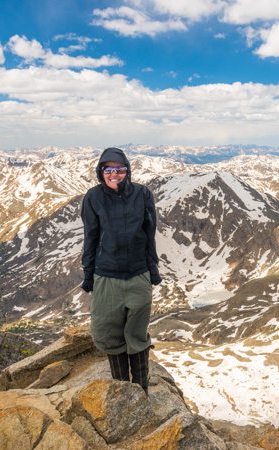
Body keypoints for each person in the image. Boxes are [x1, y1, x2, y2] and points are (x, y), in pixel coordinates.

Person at [80, 147, 162, 396]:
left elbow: (150, 234)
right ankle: (123, 392)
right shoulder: (93, 197)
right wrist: (88, 273)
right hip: (107, 276)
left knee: (136, 334)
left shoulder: (142, 194)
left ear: (127, 171)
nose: (115, 174)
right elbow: (90, 237)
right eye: (109, 169)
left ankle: (141, 391)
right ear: (101, 171)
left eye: (120, 169)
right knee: (109, 333)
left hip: (138, 274)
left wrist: (152, 269)